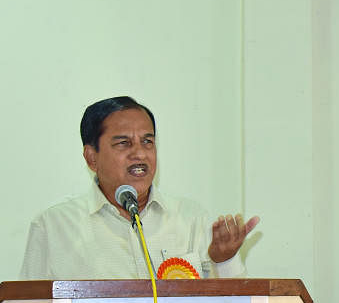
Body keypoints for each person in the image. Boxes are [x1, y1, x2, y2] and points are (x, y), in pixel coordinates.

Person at [19, 96, 258, 280]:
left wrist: (224, 260)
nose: (140, 153)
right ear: (92, 158)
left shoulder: (190, 218)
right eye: (124, 143)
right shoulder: (54, 226)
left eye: (147, 141)